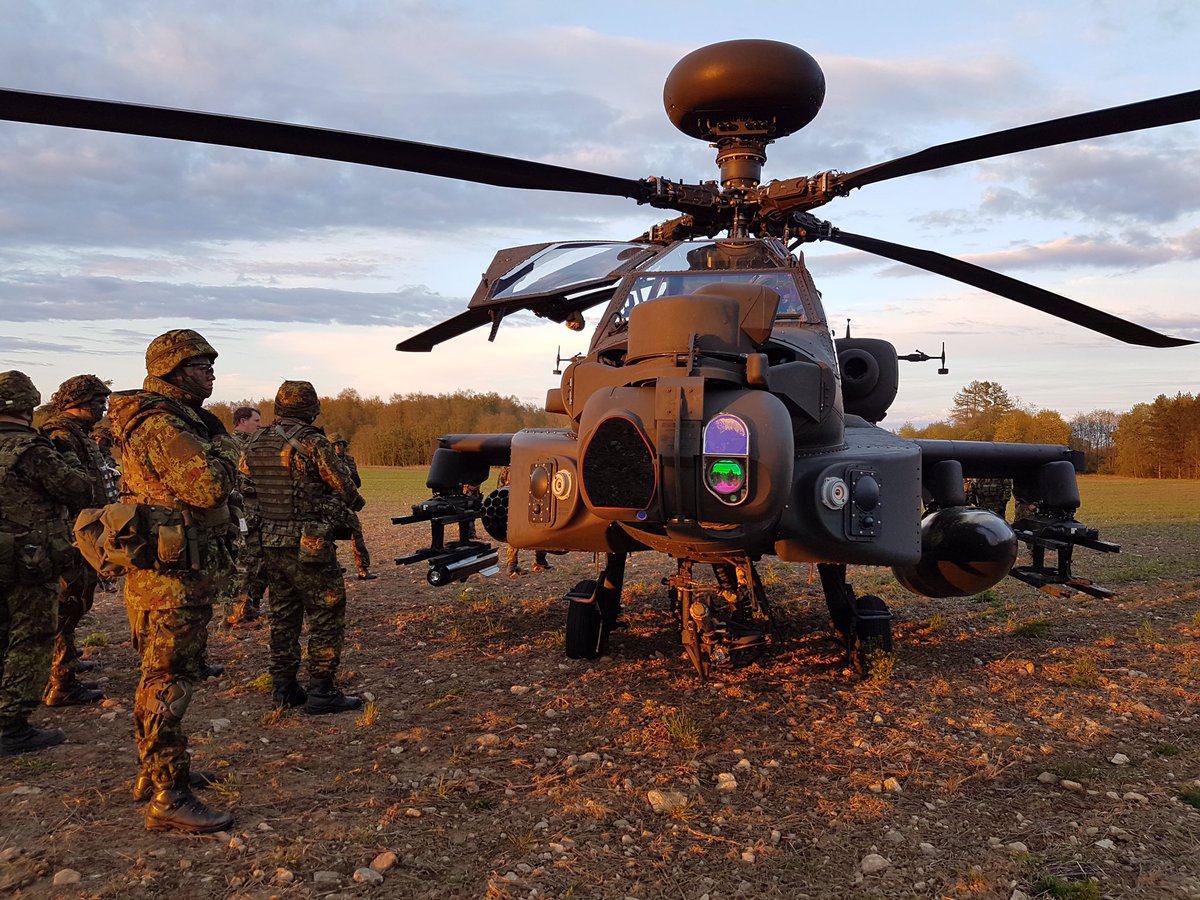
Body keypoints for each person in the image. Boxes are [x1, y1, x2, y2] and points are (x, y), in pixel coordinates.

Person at [108, 329, 238, 833]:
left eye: (211, 365)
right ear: (173, 371)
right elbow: (208, 487)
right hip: (171, 581)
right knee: (168, 679)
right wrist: (225, 444)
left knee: (160, 675)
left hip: (165, 573)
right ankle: (169, 794)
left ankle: (155, 772)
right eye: (201, 366)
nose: (211, 374)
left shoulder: (164, 419)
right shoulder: (163, 425)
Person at [241, 382, 365, 714]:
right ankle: (322, 691)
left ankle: (283, 688)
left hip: (270, 540)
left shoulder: (255, 440)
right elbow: (345, 488)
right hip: (309, 543)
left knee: (284, 616)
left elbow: (245, 485)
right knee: (326, 613)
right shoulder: (312, 442)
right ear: (311, 409)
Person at [0, 371, 92, 756]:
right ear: (28, 406)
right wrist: (67, 454)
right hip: (29, 559)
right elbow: (78, 489)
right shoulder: (32, 449)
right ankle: (11, 725)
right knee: (33, 636)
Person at [39, 375, 113, 707]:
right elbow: (68, 487)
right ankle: (61, 680)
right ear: (77, 402)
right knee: (68, 603)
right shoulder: (61, 435)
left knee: (77, 600)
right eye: (97, 402)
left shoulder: (77, 433)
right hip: (73, 533)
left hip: (84, 529)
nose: (102, 408)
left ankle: (65, 661)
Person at [224, 406, 268, 626]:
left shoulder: (252, 444)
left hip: (255, 510)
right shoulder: (231, 445)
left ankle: (248, 607)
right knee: (243, 562)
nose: (259, 424)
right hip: (241, 513)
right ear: (242, 421)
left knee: (258, 560)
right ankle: (236, 613)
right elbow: (235, 480)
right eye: (256, 420)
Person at [328, 432, 375, 580]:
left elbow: (357, 482)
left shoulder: (349, 460)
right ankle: (333, 567)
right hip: (329, 504)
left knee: (356, 533)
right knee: (327, 536)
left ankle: (363, 569)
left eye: (341, 444)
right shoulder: (325, 460)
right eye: (335, 445)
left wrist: (348, 475)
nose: (338, 447)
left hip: (347, 503)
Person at [496, 466, 551, 576]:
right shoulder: (526, 463)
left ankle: (536, 561)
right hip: (527, 500)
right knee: (538, 528)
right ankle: (515, 565)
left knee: (520, 530)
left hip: (521, 500)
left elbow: (501, 486)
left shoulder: (510, 466)